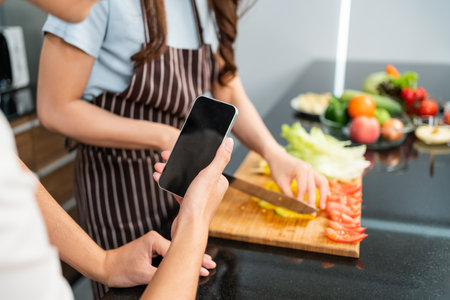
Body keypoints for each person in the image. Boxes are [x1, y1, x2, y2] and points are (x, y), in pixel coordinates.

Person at [37, 0, 330, 297]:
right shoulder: (85, 4)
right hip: (118, 191)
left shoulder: (202, 4)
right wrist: (163, 136)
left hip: (184, 184)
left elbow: (227, 87)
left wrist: (273, 152)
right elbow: (55, 108)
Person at [1, 0, 224, 299]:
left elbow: (11, 176)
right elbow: (55, 110)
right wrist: (195, 220)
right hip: (116, 189)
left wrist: (102, 262)